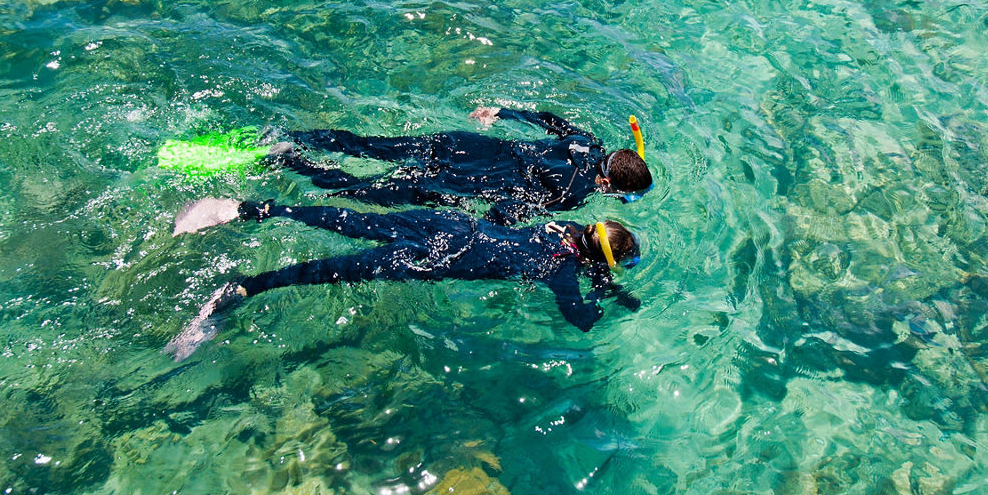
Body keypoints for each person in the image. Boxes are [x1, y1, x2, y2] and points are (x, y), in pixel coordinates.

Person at [165, 197, 642, 360]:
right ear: (597, 260)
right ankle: (244, 289)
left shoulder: (559, 229)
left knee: (350, 219)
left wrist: (602, 275)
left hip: (450, 225)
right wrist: (607, 297)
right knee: (335, 271)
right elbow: (578, 318)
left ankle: (250, 209)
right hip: (439, 256)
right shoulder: (561, 270)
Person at [271, 106, 653, 225]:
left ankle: (295, 137)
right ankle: (290, 161)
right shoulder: (573, 194)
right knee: (362, 191)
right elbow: (508, 211)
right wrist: (475, 220)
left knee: (372, 147)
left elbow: (549, 119)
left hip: (462, 144)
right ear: (606, 183)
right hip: (461, 180)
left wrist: (501, 112)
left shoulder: (587, 142)